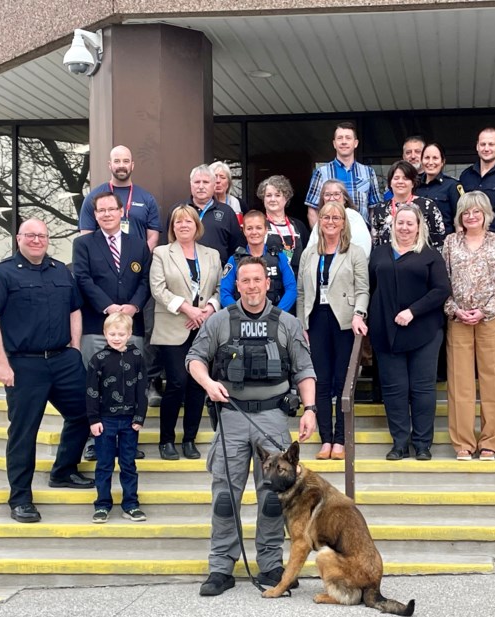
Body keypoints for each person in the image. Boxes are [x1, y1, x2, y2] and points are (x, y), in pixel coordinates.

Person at [186, 255, 318, 597]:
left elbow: (305, 369)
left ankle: (272, 564)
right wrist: (207, 384)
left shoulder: (286, 323)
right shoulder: (219, 322)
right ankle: (220, 568)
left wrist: (310, 409)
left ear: (267, 283)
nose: (252, 286)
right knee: (224, 498)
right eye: (245, 281)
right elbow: (194, 359)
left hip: (273, 417)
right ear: (237, 285)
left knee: (273, 498)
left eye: (257, 280)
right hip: (231, 415)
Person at [0, 218, 95, 524]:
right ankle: (20, 498)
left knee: (86, 413)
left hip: (63, 360)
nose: (37, 240)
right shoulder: (2, 274)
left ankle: (64, 470)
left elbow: (74, 309)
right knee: (24, 432)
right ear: (19, 238)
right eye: (30, 235)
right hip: (23, 365)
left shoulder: (60, 271)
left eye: (42, 235)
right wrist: (1, 363)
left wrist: (74, 347)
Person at [368, 202, 451, 461]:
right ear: (393, 225)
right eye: (400, 223)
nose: (404, 227)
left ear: (418, 227)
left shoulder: (429, 255)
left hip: (423, 331)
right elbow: (371, 287)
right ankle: (400, 444)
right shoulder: (379, 253)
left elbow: (441, 290)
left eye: (410, 223)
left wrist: (413, 311)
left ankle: (423, 444)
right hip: (386, 332)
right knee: (394, 389)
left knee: (422, 389)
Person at [73, 191, 152, 461]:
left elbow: (145, 282)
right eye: (101, 210)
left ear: (122, 213)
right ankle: (96, 442)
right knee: (97, 385)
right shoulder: (83, 244)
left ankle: (129, 441)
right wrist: (109, 307)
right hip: (97, 325)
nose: (106, 214)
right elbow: (83, 279)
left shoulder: (139, 245)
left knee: (132, 384)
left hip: (132, 325)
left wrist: (132, 307)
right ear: (94, 216)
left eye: (111, 209)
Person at [295, 201, 370, 461]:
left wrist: (359, 314)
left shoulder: (354, 252)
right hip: (316, 320)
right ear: (319, 221)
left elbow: (363, 289)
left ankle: (340, 440)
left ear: (343, 222)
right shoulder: (309, 253)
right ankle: (325, 439)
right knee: (321, 382)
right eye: (325, 217)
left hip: (345, 322)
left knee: (342, 382)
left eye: (335, 217)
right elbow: (302, 291)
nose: (330, 221)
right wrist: (302, 323)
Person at [442, 191, 495, 461]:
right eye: (466, 212)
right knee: (460, 381)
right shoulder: (450, 242)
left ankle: (490, 442)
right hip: (458, 318)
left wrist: (484, 311)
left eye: (476, 211)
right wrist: (455, 309)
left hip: (491, 318)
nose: (471, 216)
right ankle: (463, 442)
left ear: (486, 214)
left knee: (492, 379)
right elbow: (443, 280)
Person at [150, 205, 222, 460]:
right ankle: (166, 440)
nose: (183, 225)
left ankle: (189, 439)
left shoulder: (212, 254)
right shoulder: (161, 253)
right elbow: (158, 289)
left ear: (196, 226)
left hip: (203, 327)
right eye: (178, 222)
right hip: (173, 326)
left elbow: (220, 289)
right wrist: (188, 310)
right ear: (172, 227)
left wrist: (207, 311)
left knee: (196, 385)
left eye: (188, 221)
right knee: (177, 382)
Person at [85, 312, 148, 523]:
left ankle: (130, 504)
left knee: (128, 463)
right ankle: (102, 505)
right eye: (112, 333)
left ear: (129, 334)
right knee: (104, 464)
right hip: (105, 420)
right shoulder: (98, 359)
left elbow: (142, 389)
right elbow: (91, 391)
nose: (117, 337)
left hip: (130, 420)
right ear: (105, 333)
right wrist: (93, 420)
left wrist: (140, 416)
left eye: (121, 333)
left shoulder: (137, 357)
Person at [78, 145, 161, 253]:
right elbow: (86, 238)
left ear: (132, 165)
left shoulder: (147, 199)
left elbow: (153, 238)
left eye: (126, 161)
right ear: (110, 165)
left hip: (137, 266)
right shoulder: (93, 198)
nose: (121, 165)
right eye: (117, 161)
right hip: (103, 266)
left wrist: (141, 257)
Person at [305, 121, 383, 227]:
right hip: (331, 234)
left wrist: (372, 237)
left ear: (355, 143)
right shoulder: (321, 173)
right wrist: (320, 237)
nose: (344, 142)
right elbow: (312, 210)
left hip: (360, 235)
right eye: (340, 138)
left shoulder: (368, 172)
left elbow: (374, 209)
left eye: (348, 138)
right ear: (334, 144)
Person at [219, 209, 297, 313]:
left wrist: (277, 313)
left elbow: (291, 289)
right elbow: (225, 293)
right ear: (244, 231)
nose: (254, 232)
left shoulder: (279, 257)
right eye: (250, 228)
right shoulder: (235, 259)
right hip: (242, 319)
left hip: (275, 317)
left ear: (266, 230)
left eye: (259, 228)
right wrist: (239, 314)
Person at [368, 160, 447, 250]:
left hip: (421, 260)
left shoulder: (427, 206)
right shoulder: (380, 209)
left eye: (405, 178)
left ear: (413, 183)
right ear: (390, 182)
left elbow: (439, 239)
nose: (400, 182)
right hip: (388, 261)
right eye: (396, 178)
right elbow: (375, 242)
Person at [173, 164, 242, 265]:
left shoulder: (227, 212)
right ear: (191, 185)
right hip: (182, 274)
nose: (201, 186)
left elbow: (236, 247)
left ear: (214, 185)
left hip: (218, 275)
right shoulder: (177, 211)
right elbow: (169, 242)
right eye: (197, 182)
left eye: (205, 182)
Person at [307, 179, 372, 258]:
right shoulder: (320, 221)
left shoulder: (353, 217)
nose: (332, 198)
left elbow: (363, 250)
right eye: (327, 195)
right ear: (323, 199)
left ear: (345, 198)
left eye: (336, 194)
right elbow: (310, 252)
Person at [260, 175, 310, 276]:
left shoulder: (299, 226)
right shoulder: (258, 225)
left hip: (297, 283)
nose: (272, 199)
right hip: (269, 285)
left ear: (286, 198)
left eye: (277, 195)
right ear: (263, 198)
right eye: (268, 195)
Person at [415, 142, 462, 236]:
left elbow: (460, 220)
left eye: (435, 158)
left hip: (443, 243)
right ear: (421, 160)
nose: (430, 162)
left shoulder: (452, 185)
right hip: (417, 243)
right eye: (427, 158)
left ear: (442, 161)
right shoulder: (415, 184)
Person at [383, 136, 426, 201]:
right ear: (403, 156)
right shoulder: (395, 182)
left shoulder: (433, 181)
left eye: (417, 152)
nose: (413, 156)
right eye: (408, 152)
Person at [209, 161, 243, 226]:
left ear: (228, 182)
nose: (218, 181)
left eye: (222, 177)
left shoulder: (233, 202)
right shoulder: (204, 201)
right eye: (215, 177)